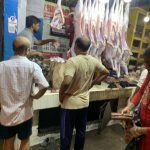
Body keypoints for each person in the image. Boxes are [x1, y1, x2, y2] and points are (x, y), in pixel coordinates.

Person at [59, 36, 109, 150]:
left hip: (70, 104)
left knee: (66, 134)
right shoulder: (93, 60)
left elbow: (66, 82)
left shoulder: (73, 61)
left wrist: (61, 95)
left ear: (76, 46)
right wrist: (92, 83)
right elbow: (106, 72)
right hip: (84, 103)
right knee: (81, 133)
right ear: (88, 48)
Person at [0, 36, 49, 150]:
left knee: (8, 141)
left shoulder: (2, 65)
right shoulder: (33, 66)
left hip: (6, 114)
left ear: (14, 49)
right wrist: (35, 96)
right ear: (27, 50)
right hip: (25, 114)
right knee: (25, 141)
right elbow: (45, 85)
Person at [122, 47, 150, 150]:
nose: (146, 67)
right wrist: (129, 107)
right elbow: (141, 92)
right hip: (142, 129)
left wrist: (141, 130)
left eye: (148, 63)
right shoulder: (149, 74)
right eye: (145, 62)